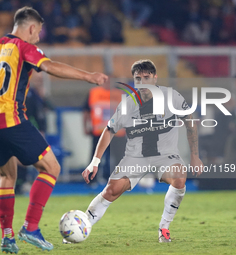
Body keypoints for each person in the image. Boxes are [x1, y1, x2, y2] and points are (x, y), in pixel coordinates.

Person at [0, 6, 107, 254]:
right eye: (38, 33)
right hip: (12, 120)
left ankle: (7, 237)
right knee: (52, 168)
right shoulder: (24, 47)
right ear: (30, 28)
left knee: (7, 177)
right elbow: (50, 66)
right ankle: (31, 227)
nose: (38, 38)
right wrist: (88, 76)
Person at [82, 59, 203, 243]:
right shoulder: (128, 104)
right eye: (138, 78)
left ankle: (164, 228)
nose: (142, 82)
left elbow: (190, 122)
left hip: (165, 155)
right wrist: (95, 162)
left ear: (155, 78)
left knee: (179, 177)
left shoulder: (172, 97)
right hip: (135, 157)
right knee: (111, 191)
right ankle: (81, 228)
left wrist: (195, 156)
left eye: (146, 77)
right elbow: (109, 130)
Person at [83, 77, 125, 185]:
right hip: (99, 132)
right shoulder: (94, 93)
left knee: (118, 158)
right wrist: (85, 126)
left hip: (116, 133)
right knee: (96, 157)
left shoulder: (120, 94)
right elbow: (86, 111)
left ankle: (117, 180)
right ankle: (92, 180)